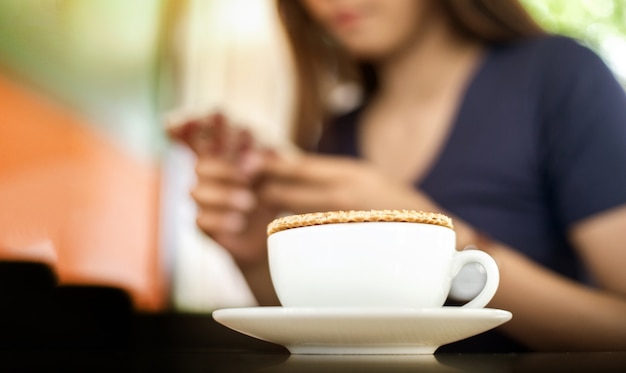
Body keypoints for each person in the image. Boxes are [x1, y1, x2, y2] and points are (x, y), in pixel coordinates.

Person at [169, 0, 626, 352]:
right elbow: (336, 336)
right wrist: (252, 253)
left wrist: (435, 232)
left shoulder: (561, 78)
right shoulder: (334, 136)